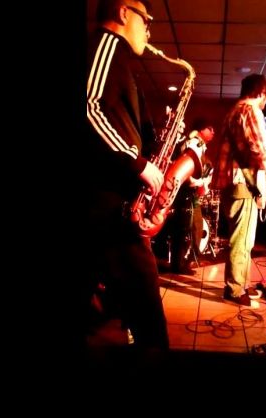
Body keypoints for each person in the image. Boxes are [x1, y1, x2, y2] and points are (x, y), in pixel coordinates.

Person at [84, 0, 169, 351]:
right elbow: (89, 108)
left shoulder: (119, 60)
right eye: (145, 20)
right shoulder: (106, 44)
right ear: (123, 13)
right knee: (151, 325)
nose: (148, 29)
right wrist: (137, 163)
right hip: (108, 211)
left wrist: (156, 147)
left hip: (111, 207)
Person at [211, 74, 266, 306]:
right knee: (242, 240)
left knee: (240, 238)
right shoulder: (250, 110)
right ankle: (234, 290)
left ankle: (241, 283)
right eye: (265, 97)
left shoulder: (232, 111)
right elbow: (258, 147)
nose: (265, 102)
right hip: (243, 184)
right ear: (261, 92)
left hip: (231, 184)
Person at [154, 117, 215, 275]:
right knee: (185, 229)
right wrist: (199, 182)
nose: (213, 132)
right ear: (201, 130)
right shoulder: (192, 143)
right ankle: (180, 264)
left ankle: (181, 263)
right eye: (210, 129)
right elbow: (186, 169)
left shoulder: (198, 145)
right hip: (185, 192)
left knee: (188, 228)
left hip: (190, 193)